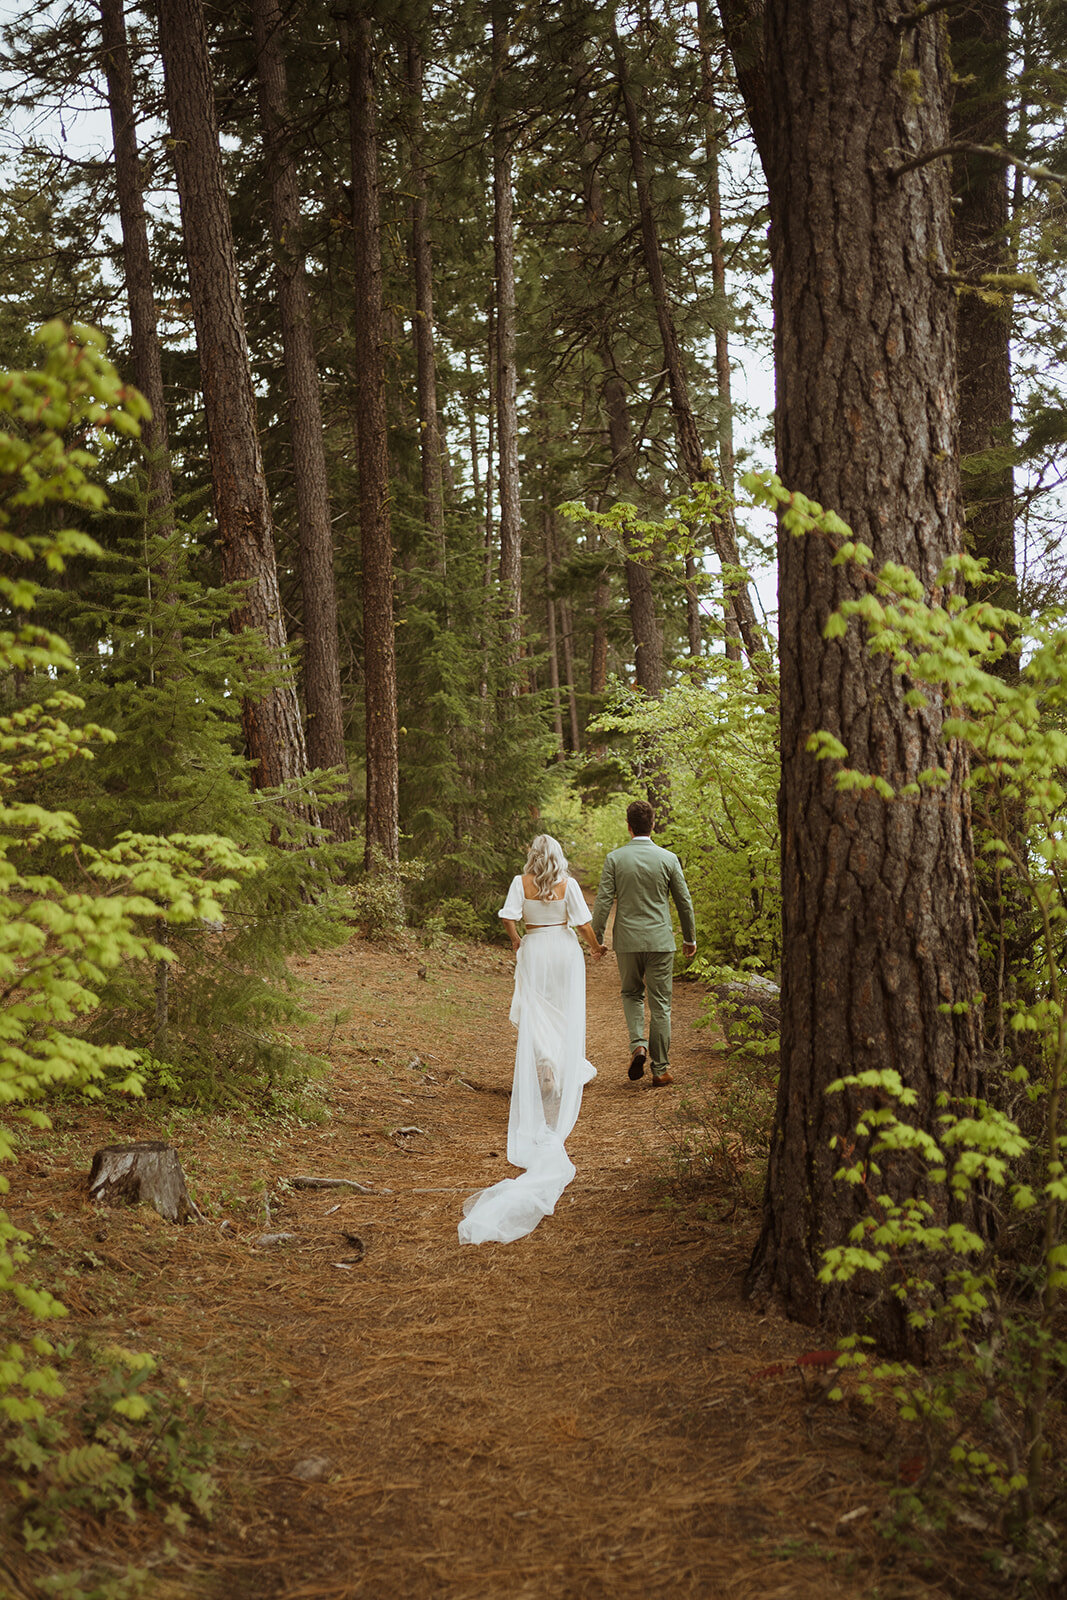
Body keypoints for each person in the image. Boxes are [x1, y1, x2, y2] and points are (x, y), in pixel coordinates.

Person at [458, 834, 605, 1245]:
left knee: (539, 1013)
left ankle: (545, 1064)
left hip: (536, 946)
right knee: (563, 1012)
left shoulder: (522, 881)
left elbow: (507, 915)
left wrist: (517, 938)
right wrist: (595, 948)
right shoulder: (569, 884)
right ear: (557, 856)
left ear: (533, 857)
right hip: (563, 949)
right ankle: (557, 1065)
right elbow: (582, 923)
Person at [591, 799, 696, 1088]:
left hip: (626, 940)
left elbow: (603, 902)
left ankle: (638, 1044)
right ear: (653, 826)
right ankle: (660, 1069)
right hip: (661, 941)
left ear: (628, 826)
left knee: (631, 993)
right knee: (661, 1003)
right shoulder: (668, 859)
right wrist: (689, 937)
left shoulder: (615, 859)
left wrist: (596, 939)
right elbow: (683, 902)